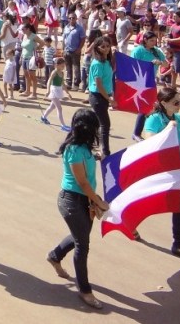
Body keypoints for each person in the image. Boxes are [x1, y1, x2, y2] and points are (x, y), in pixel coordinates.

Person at [46, 108, 108, 310]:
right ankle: (85, 290)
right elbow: (82, 182)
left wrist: (96, 157)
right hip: (72, 201)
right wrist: (98, 201)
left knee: (79, 236)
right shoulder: (74, 150)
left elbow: (85, 169)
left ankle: (55, 255)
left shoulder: (83, 147)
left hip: (83, 200)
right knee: (83, 244)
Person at [141, 87, 180, 261]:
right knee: (146, 201)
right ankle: (129, 221)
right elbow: (151, 144)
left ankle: (179, 245)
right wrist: (167, 130)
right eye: (176, 102)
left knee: (179, 207)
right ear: (164, 103)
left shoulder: (179, 119)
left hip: (177, 169)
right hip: (158, 171)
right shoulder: (153, 120)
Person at [129, 31, 169, 140]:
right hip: (140, 82)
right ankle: (136, 133)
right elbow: (132, 65)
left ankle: (149, 131)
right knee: (145, 107)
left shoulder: (156, 51)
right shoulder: (138, 51)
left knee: (151, 108)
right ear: (145, 40)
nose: (154, 42)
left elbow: (166, 64)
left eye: (155, 40)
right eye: (151, 40)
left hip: (151, 82)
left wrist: (159, 62)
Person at [87, 37, 115, 156]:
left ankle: (90, 144)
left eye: (107, 46)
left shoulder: (106, 61)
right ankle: (105, 151)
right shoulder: (97, 63)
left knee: (99, 124)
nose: (106, 49)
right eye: (102, 46)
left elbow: (108, 79)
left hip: (104, 95)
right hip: (98, 97)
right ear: (97, 48)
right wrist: (109, 99)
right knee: (105, 124)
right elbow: (99, 85)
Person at [41, 58, 74, 131]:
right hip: (54, 90)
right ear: (57, 65)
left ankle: (43, 117)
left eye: (64, 65)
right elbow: (49, 81)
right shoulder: (54, 72)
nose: (63, 66)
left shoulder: (62, 73)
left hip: (58, 90)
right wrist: (48, 90)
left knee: (52, 106)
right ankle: (63, 125)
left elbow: (63, 84)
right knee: (59, 108)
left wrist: (68, 93)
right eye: (62, 65)